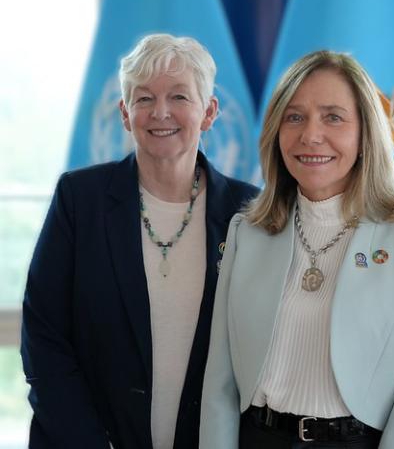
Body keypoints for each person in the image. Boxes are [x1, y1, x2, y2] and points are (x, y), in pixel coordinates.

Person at [200, 50, 394, 449]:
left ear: (365, 135)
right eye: (295, 117)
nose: (310, 135)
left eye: (333, 117)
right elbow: (220, 382)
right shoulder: (245, 234)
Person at [21, 34, 258, 449]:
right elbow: (43, 340)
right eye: (144, 98)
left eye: (180, 96)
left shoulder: (249, 211)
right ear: (125, 113)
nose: (160, 112)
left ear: (209, 112)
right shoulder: (80, 200)